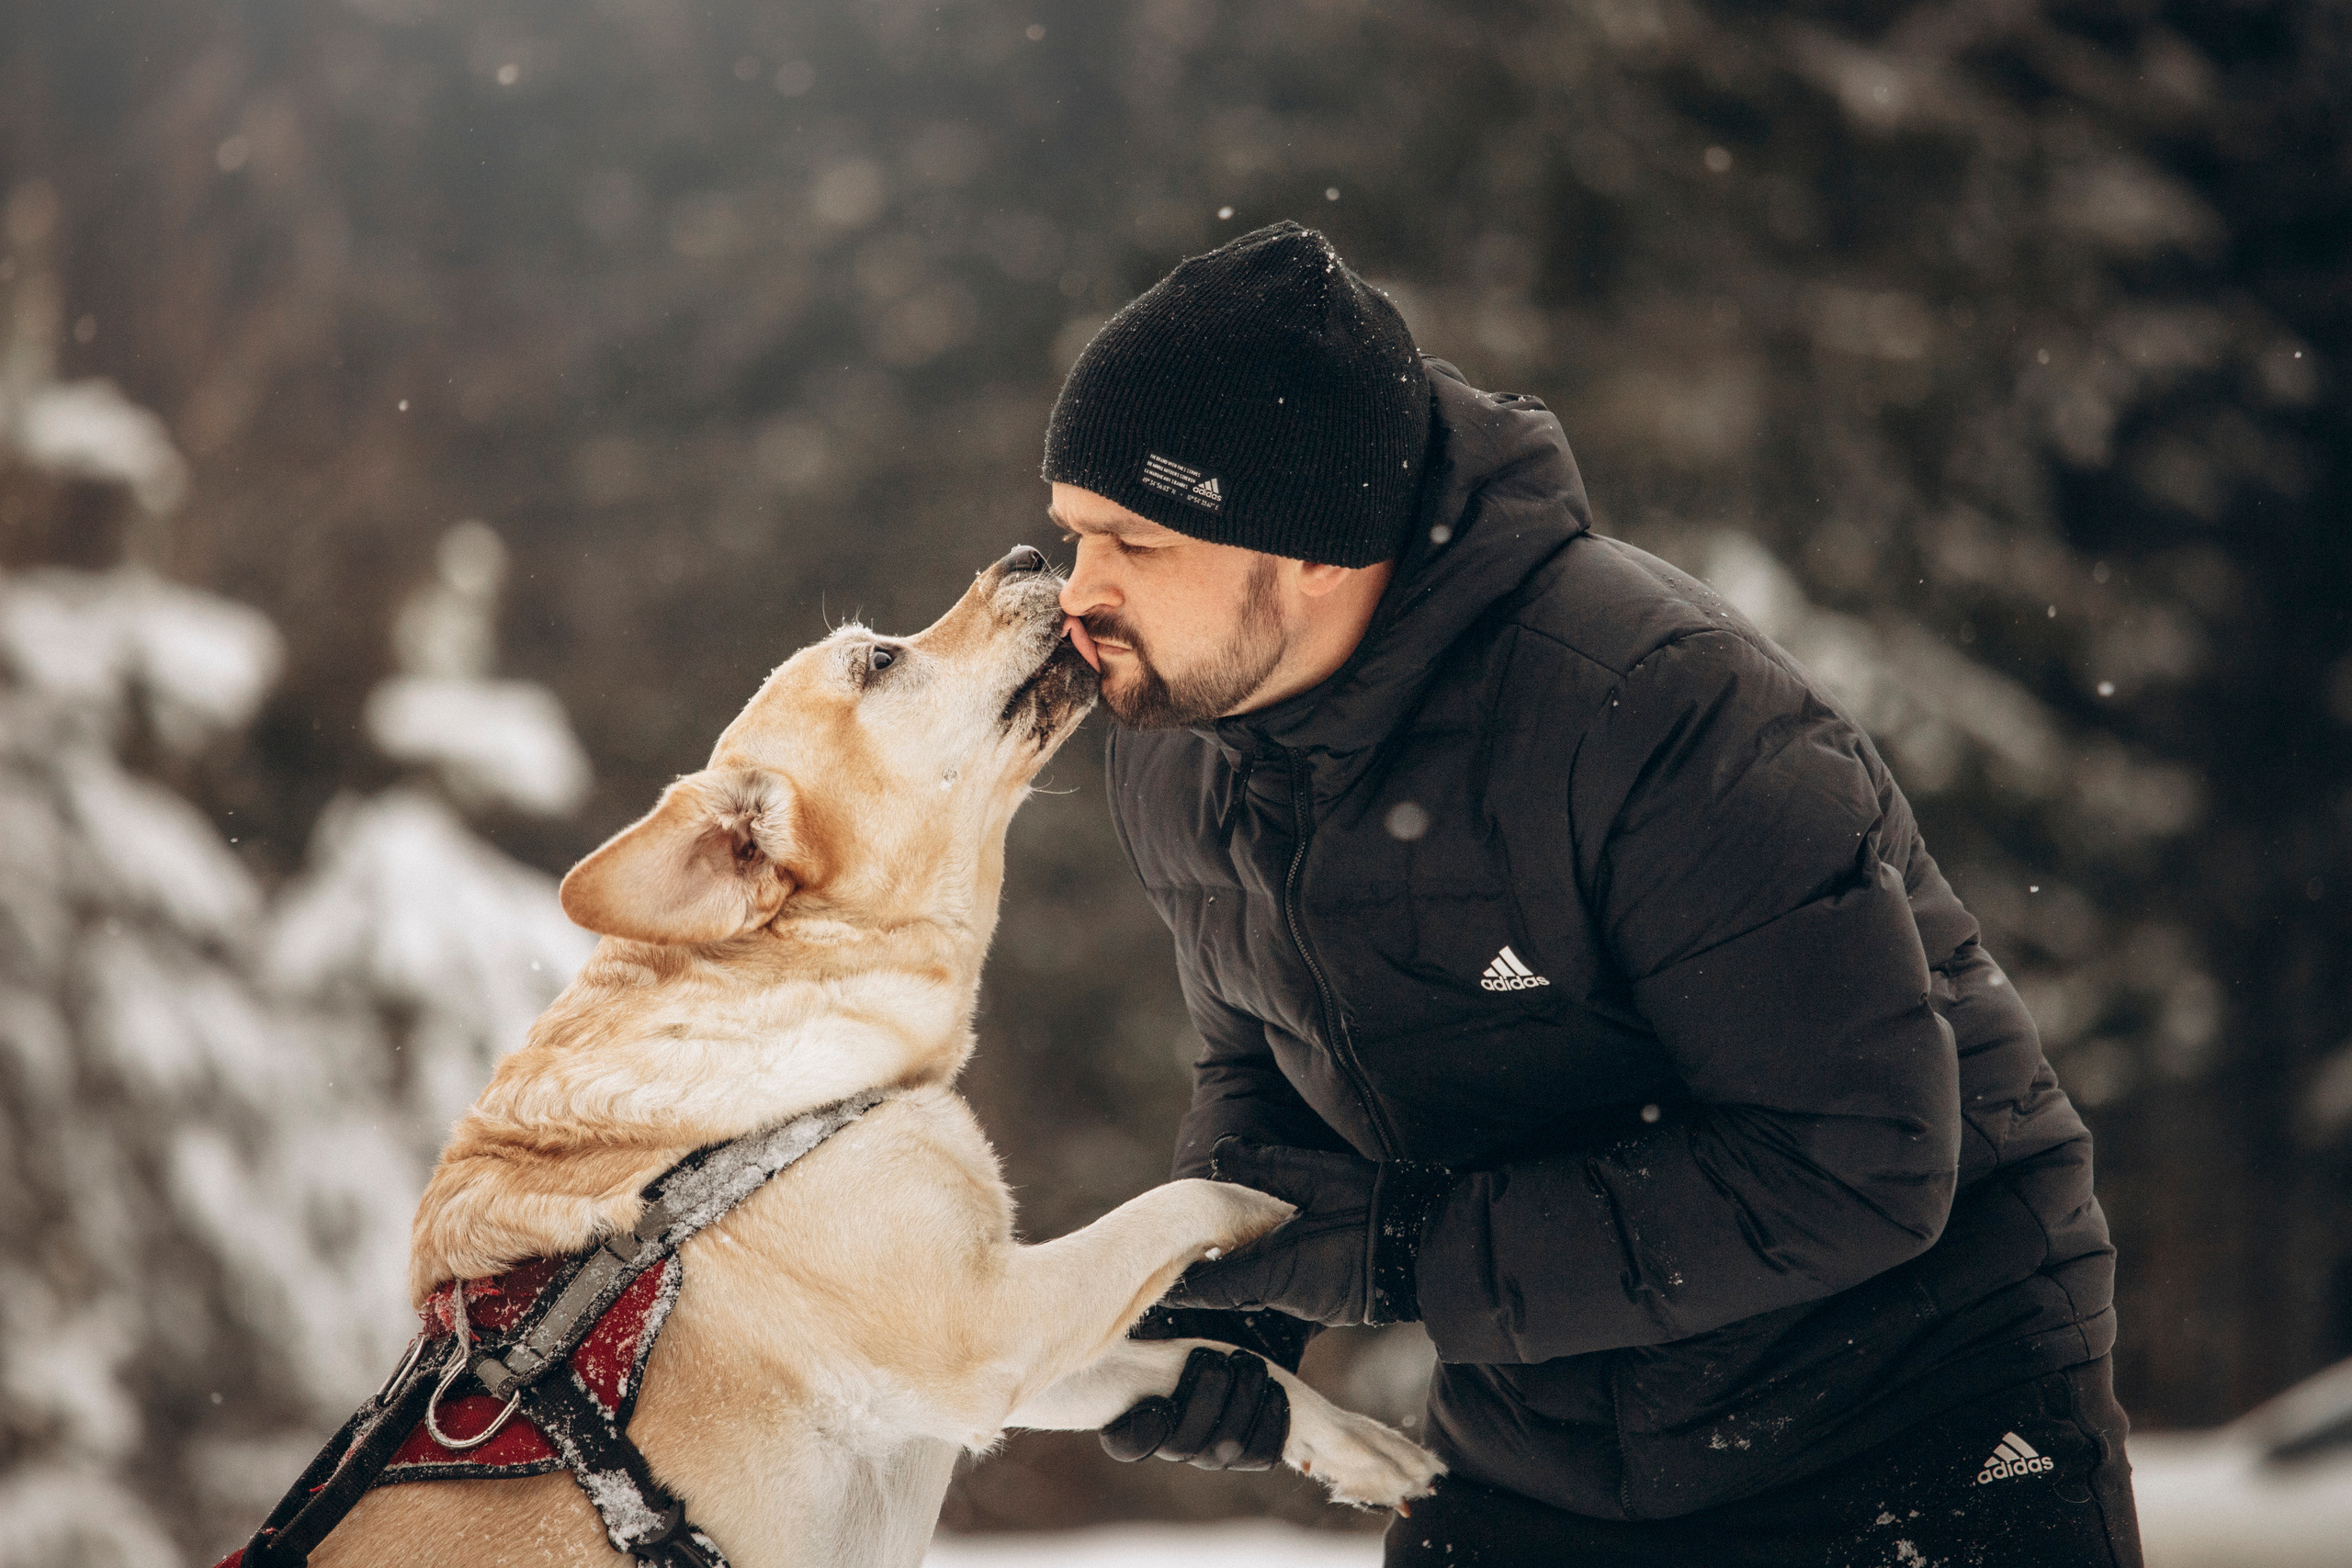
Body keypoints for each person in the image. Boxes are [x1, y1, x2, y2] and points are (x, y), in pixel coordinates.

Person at [1043, 220, 2143, 1567]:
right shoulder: (1180, 750)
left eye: (1134, 543)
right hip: (1544, 1432)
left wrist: (1397, 1253)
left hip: (1900, 1416)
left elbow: (1859, 1164)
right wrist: (1237, 1298)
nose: (1076, 596)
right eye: (1070, 535)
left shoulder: (1649, 708)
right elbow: (1267, 1062)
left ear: (1317, 544)